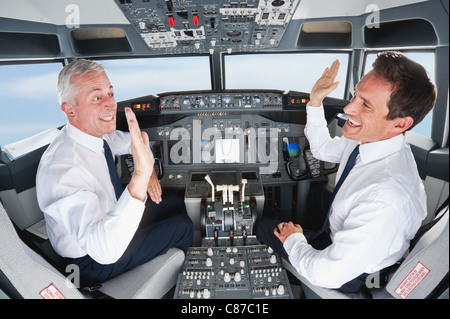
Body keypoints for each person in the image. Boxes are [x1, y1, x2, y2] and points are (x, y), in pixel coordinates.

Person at [255, 51, 437, 293]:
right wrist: (315, 101)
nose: (348, 108)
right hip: (343, 238)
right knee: (315, 196)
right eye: (355, 95)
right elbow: (321, 149)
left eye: (366, 104)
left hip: (351, 273)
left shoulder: (386, 198)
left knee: (262, 227)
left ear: (400, 123)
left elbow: (324, 274)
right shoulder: (370, 140)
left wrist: (293, 239)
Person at [36, 59, 193, 285]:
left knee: (176, 202)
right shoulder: (61, 169)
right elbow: (105, 250)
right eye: (97, 97)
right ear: (69, 109)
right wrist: (140, 175)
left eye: (111, 93)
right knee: (183, 227)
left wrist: (149, 172)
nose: (111, 105)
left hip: (111, 214)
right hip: (90, 260)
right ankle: (184, 287)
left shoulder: (97, 136)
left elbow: (138, 141)